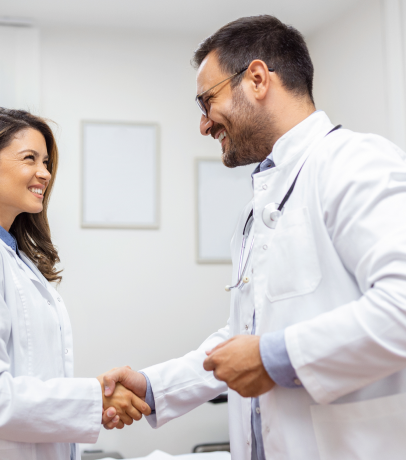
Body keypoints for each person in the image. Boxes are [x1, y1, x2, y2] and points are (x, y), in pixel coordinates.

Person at [102, 15, 406, 460]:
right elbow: (245, 333)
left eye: (207, 102)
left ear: (258, 79)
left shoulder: (355, 162)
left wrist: (274, 358)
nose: (204, 125)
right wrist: (153, 386)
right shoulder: (264, 201)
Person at [0, 107, 151, 460]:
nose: (44, 173)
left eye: (46, 162)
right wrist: (95, 398)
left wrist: (92, 400)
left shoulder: (8, 255)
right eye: (30, 158)